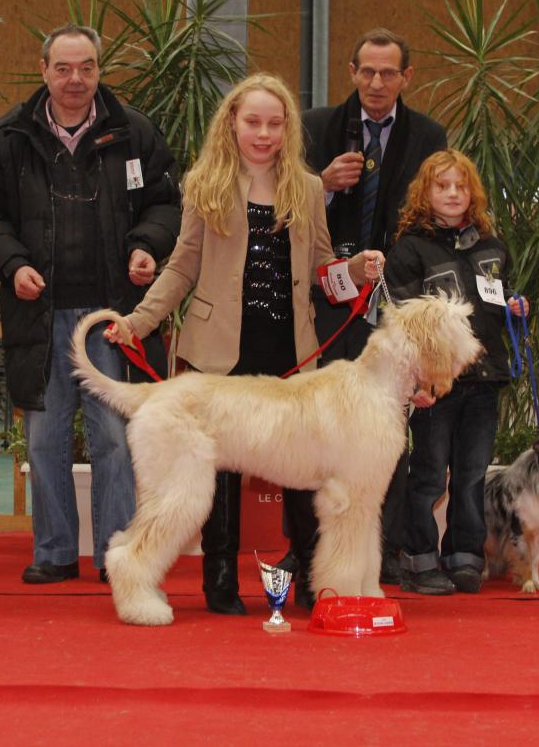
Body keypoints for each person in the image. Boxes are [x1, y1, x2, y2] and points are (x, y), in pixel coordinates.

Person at [106, 73, 384, 614]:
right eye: (252, 122)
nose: (263, 133)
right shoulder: (205, 182)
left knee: (305, 472)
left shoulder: (306, 187)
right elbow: (182, 266)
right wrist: (138, 323)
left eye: (274, 124)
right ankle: (219, 583)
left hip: (290, 348)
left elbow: (325, 272)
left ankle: (309, 578)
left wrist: (356, 269)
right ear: (231, 123)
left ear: (288, 129)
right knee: (216, 480)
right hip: (217, 351)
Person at [0, 25, 181, 585]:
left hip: (113, 318)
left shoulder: (136, 134)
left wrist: (146, 247)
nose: (75, 79)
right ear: (44, 70)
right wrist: (12, 266)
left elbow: (166, 205)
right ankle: (54, 551)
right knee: (44, 436)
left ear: (99, 71)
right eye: (63, 68)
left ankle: (116, 556)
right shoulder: (11, 136)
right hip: (39, 315)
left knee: (114, 436)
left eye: (85, 68)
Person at [301, 27, 448, 586]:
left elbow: (435, 215)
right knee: (319, 435)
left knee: (388, 435)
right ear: (351, 71)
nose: (377, 82)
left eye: (389, 73)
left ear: (406, 77)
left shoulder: (428, 135)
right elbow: (286, 206)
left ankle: (382, 554)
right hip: (328, 303)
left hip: (393, 310)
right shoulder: (316, 128)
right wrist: (323, 185)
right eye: (367, 71)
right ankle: (312, 553)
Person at [384, 149, 528, 595]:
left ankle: (465, 555)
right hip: (437, 385)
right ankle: (418, 557)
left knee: (471, 473)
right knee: (428, 473)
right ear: (424, 193)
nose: (452, 193)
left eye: (460, 186)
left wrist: (518, 308)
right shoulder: (409, 249)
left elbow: (502, 297)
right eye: (442, 186)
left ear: (473, 194)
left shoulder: (492, 246)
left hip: (485, 379)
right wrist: (419, 380)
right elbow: (403, 321)